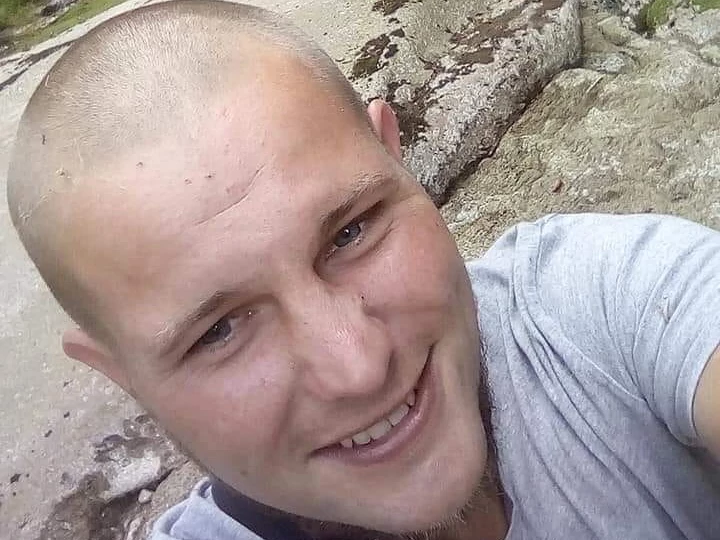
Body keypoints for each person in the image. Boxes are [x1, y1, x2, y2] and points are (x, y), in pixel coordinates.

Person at [5, 1, 720, 538]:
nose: (359, 368)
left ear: (397, 158)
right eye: (218, 331)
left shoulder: (596, 304)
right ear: (123, 375)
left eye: (351, 232)